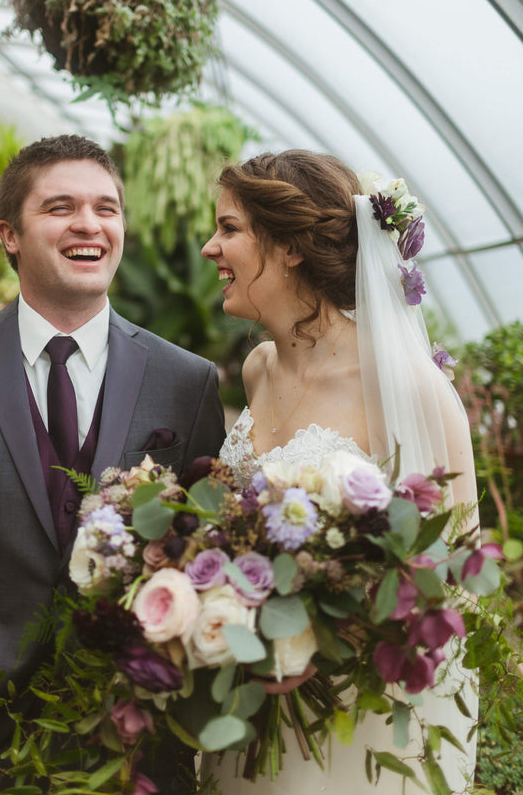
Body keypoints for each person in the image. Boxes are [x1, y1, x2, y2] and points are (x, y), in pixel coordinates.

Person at [0, 134, 225, 795]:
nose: (89, 224)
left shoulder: (186, 383)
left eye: (106, 208)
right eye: (60, 207)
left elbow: (204, 561)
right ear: (9, 234)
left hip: (127, 742)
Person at [200, 149, 479, 794]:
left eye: (230, 228)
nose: (212, 248)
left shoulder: (408, 384)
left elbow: (458, 573)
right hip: (246, 702)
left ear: (291, 248)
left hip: (352, 720)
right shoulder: (258, 370)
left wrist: (331, 628)